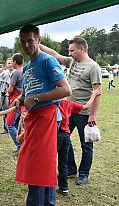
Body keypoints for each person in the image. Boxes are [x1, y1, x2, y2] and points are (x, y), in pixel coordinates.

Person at [8, 24, 71, 206]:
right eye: (23, 42)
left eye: (31, 41)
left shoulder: (47, 60)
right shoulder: (27, 68)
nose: (27, 45)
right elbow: (27, 93)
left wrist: (36, 98)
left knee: (37, 162)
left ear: (39, 40)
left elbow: (65, 90)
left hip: (46, 116)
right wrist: (21, 99)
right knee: (43, 161)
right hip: (34, 116)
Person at [40, 37, 102, 185]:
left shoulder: (93, 67)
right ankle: (71, 169)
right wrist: (38, 44)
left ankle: (84, 173)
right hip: (69, 110)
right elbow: (55, 55)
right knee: (63, 139)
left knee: (86, 145)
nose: (70, 53)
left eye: (72, 50)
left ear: (82, 49)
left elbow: (97, 92)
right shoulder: (73, 61)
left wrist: (92, 114)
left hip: (84, 113)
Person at [57, 87, 102, 196]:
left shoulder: (53, 104)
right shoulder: (69, 104)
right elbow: (86, 106)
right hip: (66, 136)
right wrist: (94, 94)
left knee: (52, 161)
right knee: (63, 163)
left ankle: (48, 186)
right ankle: (64, 189)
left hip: (56, 135)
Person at [5, 53, 24, 152]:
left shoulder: (16, 73)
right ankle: (21, 146)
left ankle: (20, 146)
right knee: (19, 125)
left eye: (12, 61)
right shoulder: (26, 70)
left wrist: (7, 92)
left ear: (15, 62)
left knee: (9, 124)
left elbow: (10, 89)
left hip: (16, 101)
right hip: (24, 102)